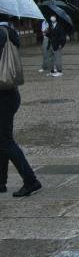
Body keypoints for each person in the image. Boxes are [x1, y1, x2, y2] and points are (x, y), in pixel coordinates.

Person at [0, 16, 42, 197]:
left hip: (2, 95)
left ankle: (31, 180)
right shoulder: (8, 32)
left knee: (5, 141)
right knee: (2, 140)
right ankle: (1, 182)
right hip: (10, 93)